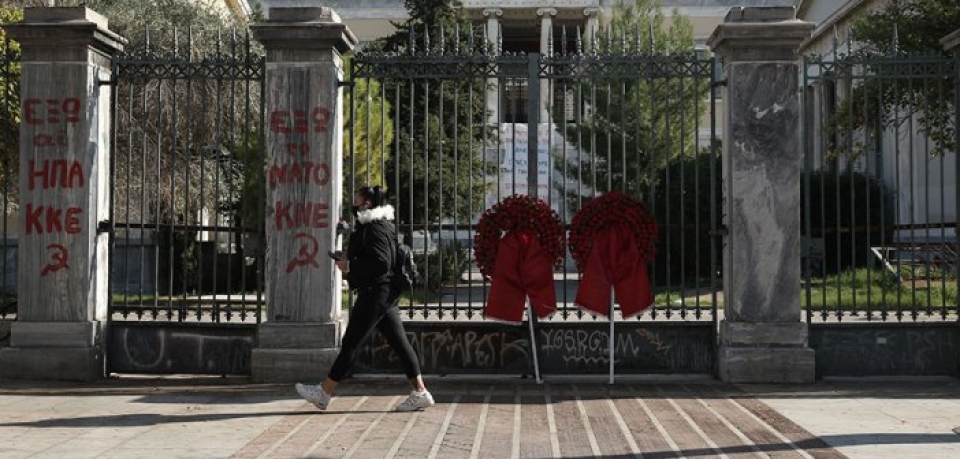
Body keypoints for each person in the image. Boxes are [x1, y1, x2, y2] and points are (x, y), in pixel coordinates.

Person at [295, 185, 435, 412]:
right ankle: (420, 391)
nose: (354, 203)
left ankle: (324, 392)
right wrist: (349, 258)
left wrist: (349, 267)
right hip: (384, 293)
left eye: (357, 199)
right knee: (400, 343)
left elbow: (381, 263)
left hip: (375, 293)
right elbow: (377, 257)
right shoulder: (380, 225)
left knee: (351, 343)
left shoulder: (375, 228)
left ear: (367, 204)